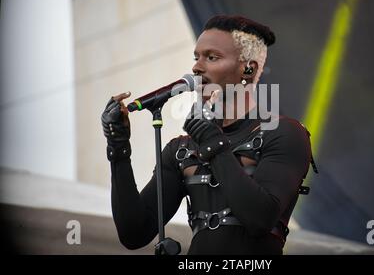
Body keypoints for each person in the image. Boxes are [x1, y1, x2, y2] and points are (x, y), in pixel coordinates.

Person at [101, 15, 315, 255]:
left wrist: (214, 144)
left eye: (212, 57)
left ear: (248, 68)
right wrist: (118, 149)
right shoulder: (181, 149)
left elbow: (260, 219)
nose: (196, 67)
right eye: (196, 57)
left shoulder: (285, 133)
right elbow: (134, 234)